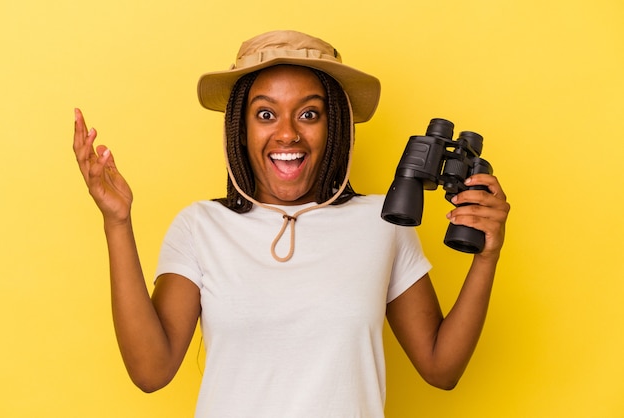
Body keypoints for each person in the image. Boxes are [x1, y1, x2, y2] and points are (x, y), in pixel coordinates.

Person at [73, 30, 510, 417]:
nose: (287, 134)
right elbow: (151, 371)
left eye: (308, 114)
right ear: (239, 131)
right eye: (266, 114)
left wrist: (486, 257)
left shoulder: (384, 223)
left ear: (334, 127)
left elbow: (441, 367)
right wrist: (117, 222)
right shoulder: (201, 226)